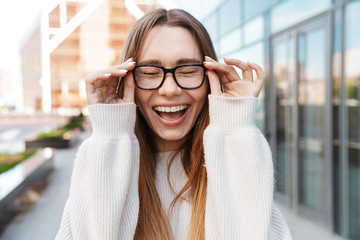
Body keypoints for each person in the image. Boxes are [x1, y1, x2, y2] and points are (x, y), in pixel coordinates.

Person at [56, 8, 291, 240]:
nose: (170, 89)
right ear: (127, 80)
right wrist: (110, 137)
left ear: (211, 78)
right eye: (149, 72)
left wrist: (235, 130)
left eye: (188, 70)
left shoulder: (233, 160)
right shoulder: (105, 159)